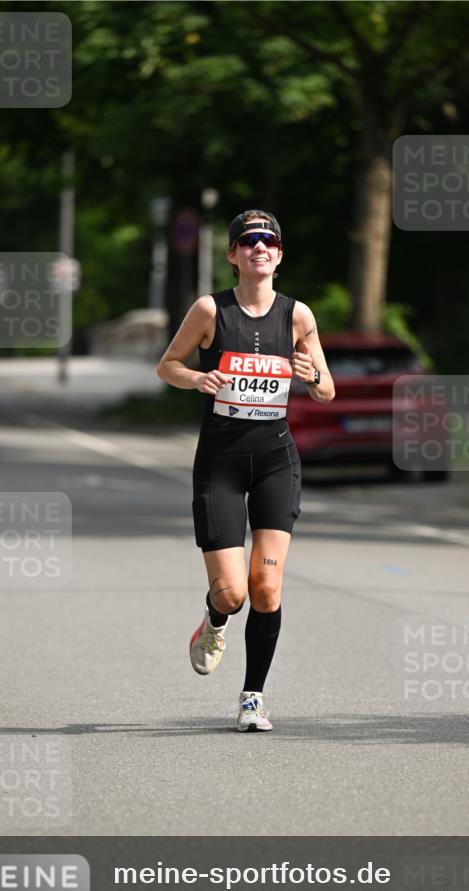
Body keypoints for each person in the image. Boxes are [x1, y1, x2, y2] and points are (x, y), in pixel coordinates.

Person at [157, 209, 335, 731]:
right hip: (221, 463)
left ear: (279, 255)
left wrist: (313, 373)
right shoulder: (210, 310)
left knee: (266, 588)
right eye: (248, 240)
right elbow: (167, 364)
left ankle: (252, 696)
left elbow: (325, 391)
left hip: (277, 462)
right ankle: (214, 620)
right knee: (233, 595)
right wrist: (195, 379)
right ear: (233, 254)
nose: (260, 247)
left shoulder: (298, 316)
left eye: (269, 240)